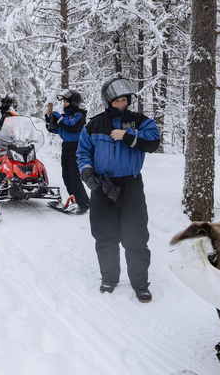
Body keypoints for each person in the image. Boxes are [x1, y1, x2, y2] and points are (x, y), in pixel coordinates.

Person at [76, 76, 161, 303]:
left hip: (131, 186)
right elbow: (83, 153)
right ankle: (109, 278)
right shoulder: (94, 125)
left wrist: (128, 136)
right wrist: (87, 173)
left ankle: (140, 283)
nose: (121, 104)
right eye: (117, 101)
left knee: (136, 237)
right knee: (105, 236)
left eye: (124, 99)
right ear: (108, 102)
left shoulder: (139, 121)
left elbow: (153, 141)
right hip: (103, 186)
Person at [45, 89, 90, 214]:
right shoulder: (66, 116)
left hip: (76, 147)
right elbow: (56, 130)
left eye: (66, 101)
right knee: (66, 176)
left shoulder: (79, 115)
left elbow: (70, 127)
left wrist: (58, 117)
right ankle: (74, 200)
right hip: (66, 147)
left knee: (74, 176)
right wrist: (50, 120)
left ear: (73, 102)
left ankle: (84, 203)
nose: (64, 104)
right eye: (64, 101)